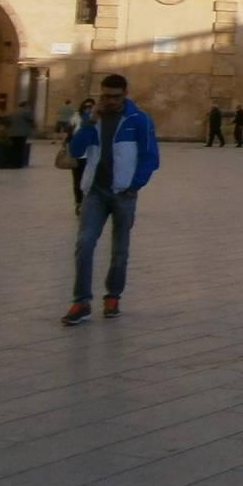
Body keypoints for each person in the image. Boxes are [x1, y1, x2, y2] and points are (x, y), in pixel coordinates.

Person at [63, 74, 160, 325]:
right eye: (106, 96)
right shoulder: (92, 118)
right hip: (96, 191)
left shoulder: (138, 119)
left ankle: (113, 296)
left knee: (119, 250)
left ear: (125, 94)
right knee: (84, 243)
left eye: (116, 97)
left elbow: (150, 157)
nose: (110, 101)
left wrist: (134, 185)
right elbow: (75, 151)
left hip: (123, 193)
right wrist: (90, 122)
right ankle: (81, 301)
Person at [68, 97, 95, 214]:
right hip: (78, 155)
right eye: (86, 107)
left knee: (90, 179)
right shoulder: (76, 118)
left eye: (90, 107)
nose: (88, 109)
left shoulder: (97, 119)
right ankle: (79, 202)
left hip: (91, 155)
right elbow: (70, 134)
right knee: (77, 180)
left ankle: (89, 203)